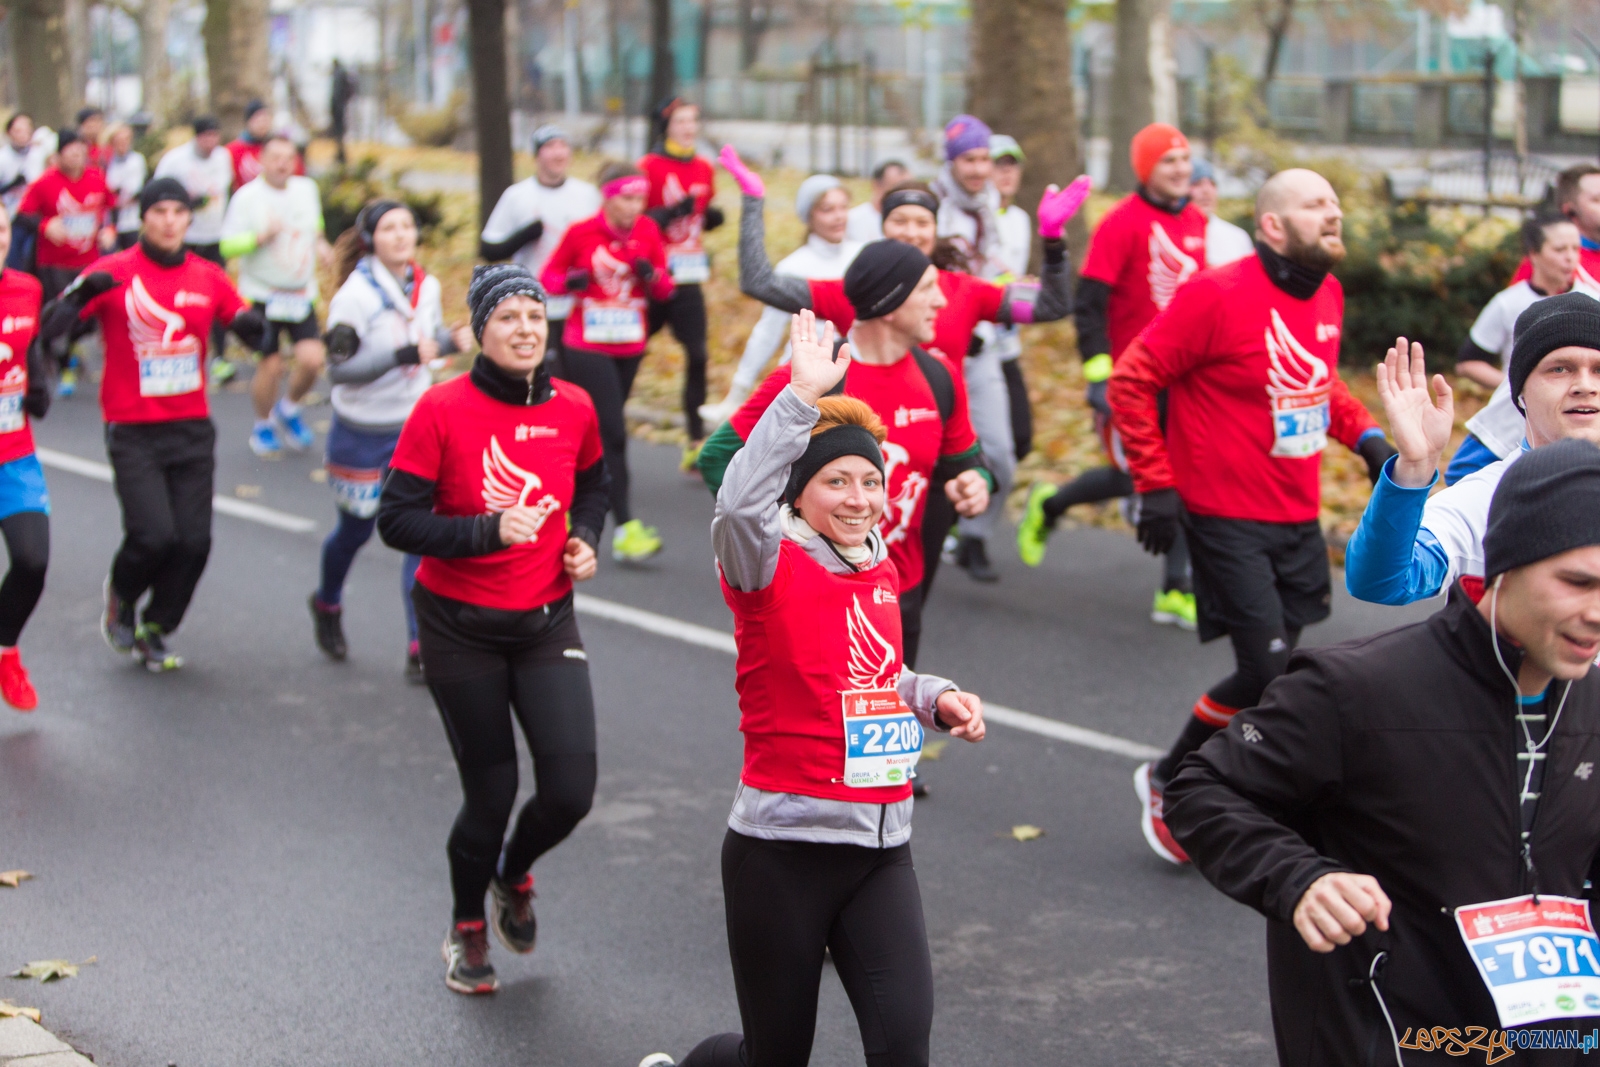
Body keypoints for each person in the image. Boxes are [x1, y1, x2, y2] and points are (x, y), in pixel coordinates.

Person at [1166, 437, 1600, 1067]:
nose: (1597, 612)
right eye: (1577, 582)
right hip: (1395, 1039)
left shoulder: (1593, 701)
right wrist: (1300, 878)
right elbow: (1202, 788)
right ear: (1506, 562)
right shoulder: (1358, 689)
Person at [637, 310, 987, 1067]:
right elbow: (735, 503)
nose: (860, 498)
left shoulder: (879, 568)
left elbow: (877, 674)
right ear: (799, 495)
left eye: (871, 480)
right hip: (781, 852)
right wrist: (796, 398)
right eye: (837, 481)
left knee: (903, 1048)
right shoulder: (763, 566)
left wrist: (934, 697)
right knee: (776, 1056)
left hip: (881, 849)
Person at [1106, 168, 1397, 866]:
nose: (1335, 211)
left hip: (1295, 510)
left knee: (1277, 677)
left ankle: (1230, 781)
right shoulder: (1216, 294)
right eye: (1315, 203)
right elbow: (1132, 378)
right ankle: (1172, 778)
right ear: (1273, 226)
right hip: (1221, 511)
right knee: (1267, 668)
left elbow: (1315, 379)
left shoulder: (1327, 291)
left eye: (1335, 199)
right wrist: (1155, 482)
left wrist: (1366, 436)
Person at [376, 263, 609, 996]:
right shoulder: (441, 409)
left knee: (571, 788)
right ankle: (467, 923)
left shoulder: (574, 405)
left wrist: (585, 537)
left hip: (545, 618)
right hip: (459, 627)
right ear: (481, 331)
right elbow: (396, 519)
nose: (525, 329)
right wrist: (486, 529)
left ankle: (512, 874)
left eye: (534, 316)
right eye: (507, 317)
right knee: (492, 790)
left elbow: (595, 483)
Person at [722, 144, 1080, 603]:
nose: (911, 231)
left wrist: (1052, 240)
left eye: (922, 223)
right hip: (853, 472)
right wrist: (753, 201)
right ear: (882, 227)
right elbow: (760, 282)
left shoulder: (963, 292)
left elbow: (1051, 304)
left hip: (926, 471)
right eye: (899, 222)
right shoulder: (863, 291)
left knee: (906, 604)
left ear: (936, 230)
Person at [702, 239, 993, 670]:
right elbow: (718, 457)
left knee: (888, 720)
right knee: (812, 727)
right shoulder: (816, 378)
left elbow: (965, 459)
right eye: (928, 288)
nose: (942, 300)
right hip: (812, 593)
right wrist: (776, 536)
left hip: (897, 589)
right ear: (892, 303)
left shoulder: (939, 375)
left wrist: (976, 484)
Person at [39, 178, 265, 671]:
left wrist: (255, 327)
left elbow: (250, 326)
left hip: (190, 428)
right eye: (158, 211)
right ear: (143, 217)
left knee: (195, 541)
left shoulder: (207, 275)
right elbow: (51, 332)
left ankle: (157, 624)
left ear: (188, 219)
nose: (168, 220)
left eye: (177, 212)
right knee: (153, 535)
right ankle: (122, 596)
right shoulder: (113, 271)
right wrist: (78, 297)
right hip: (132, 428)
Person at [1014, 123, 1206, 628]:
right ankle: (1051, 505)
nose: (1181, 170)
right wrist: (1100, 374)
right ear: (1145, 169)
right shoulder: (1123, 223)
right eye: (1169, 161)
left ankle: (1175, 587)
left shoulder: (1197, 220)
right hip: (1132, 377)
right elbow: (1089, 305)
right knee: (1134, 476)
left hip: (1185, 378)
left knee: (1180, 475)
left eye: (1185, 160)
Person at [1345, 292, 1600, 607]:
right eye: (1560, 369)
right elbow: (1379, 582)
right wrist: (1413, 469)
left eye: (1599, 369)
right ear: (1519, 392)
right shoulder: (1484, 500)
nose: (1585, 385)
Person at [313, 199, 472, 677]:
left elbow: (427, 342)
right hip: (360, 431)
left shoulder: (427, 286)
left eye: (408, 226)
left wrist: (451, 341)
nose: (401, 236)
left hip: (414, 426)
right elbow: (339, 371)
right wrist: (401, 353)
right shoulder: (354, 297)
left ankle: (419, 645)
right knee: (356, 530)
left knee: (419, 537)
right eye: (389, 228)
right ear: (371, 239)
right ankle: (327, 604)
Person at [539, 161, 673, 562]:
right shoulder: (582, 232)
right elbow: (548, 278)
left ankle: (560, 502)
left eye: (640, 198)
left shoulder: (648, 231)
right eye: (628, 198)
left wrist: (651, 276)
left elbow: (666, 289)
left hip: (629, 344)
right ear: (609, 197)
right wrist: (571, 283)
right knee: (613, 433)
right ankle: (626, 530)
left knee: (590, 431)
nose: (635, 207)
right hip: (586, 345)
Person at [930, 119, 1022, 582]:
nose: (980, 168)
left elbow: (998, 269)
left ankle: (974, 534)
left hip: (982, 349)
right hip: (935, 350)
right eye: (969, 159)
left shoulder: (990, 206)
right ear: (951, 161)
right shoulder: (933, 208)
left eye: (984, 158)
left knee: (1002, 452)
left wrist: (1017, 292)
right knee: (924, 451)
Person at [1443, 214, 1599, 485]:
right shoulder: (1508, 303)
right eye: (1560, 249)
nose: (1570, 258)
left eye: (1575, 248)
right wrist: (1515, 383)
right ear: (1533, 255)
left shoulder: (1594, 300)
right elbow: (1468, 362)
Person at [697, 173, 863, 426]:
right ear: (809, 216)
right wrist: (739, 391)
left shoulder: (863, 255)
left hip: (856, 369)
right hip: (807, 375)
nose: (839, 216)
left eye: (843, 207)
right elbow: (767, 331)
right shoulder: (793, 267)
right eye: (828, 209)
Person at [220, 134, 330, 457]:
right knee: (271, 366)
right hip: (262, 294)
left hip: (300, 293)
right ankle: (262, 424)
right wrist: (256, 238)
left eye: (289, 157)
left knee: (313, 360)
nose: (283, 164)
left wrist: (322, 243)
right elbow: (226, 245)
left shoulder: (306, 189)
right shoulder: (246, 197)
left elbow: (316, 225)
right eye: (276, 157)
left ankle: (290, 408)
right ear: (263, 161)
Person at [637, 98, 724, 461]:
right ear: (666, 126)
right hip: (653, 276)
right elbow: (635, 222)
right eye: (681, 121)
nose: (689, 127)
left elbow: (700, 216)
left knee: (699, 354)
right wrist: (670, 212)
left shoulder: (704, 167)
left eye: (693, 120)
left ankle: (694, 440)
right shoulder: (648, 166)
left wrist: (710, 218)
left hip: (688, 276)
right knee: (630, 352)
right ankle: (600, 424)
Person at [478, 124, 601, 377]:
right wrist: (523, 236)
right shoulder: (517, 196)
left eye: (563, 146)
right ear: (536, 156)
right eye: (550, 147)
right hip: (535, 302)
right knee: (546, 375)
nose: (558, 153)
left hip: (580, 304)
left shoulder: (587, 195)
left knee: (580, 380)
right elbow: (489, 249)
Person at [0, 209, 54, 711]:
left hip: (12, 454)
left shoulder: (25, 287)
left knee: (33, 561)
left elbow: (26, 344)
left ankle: (5, 650)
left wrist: (36, 383)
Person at [155, 116, 236, 382]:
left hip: (215, 236)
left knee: (216, 294)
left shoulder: (223, 157)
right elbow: (157, 192)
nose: (211, 142)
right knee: (181, 296)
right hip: (184, 237)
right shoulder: (176, 160)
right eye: (206, 136)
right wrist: (187, 202)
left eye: (215, 136)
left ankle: (220, 357)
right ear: (196, 137)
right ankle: (177, 349)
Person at [1512, 164, 1600, 287]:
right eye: (1597, 199)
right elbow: (1519, 302)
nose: (1569, 255)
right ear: (1569, 210)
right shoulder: (1547, 259)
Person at [1188, 158, 1253, 267]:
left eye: (1212, 184)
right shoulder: (1168, 234)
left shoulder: (1237, 236)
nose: (1206, 191)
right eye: (1197, 183)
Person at [226, 100, 304, 190]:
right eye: (258, 120)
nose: (262, 125)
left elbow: (297, 173)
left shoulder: (279, 148)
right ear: (248, 122)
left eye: (265, 120)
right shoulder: (233, 150)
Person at [103, 124, 147, 251]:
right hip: (111, 220)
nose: (123, 144)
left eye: (126, 140)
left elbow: (139, 187)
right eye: (118, 141)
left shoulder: (137, 160)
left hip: (132, 220)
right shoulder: (106, 161)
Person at [846, 159, 910, 243]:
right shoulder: (852, 220)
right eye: (895, 188)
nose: (901, 195)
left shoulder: (911, 225)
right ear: (876, 185)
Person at [329, 59, 358, 165]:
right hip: (342, 107)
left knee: (339, 132)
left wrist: (334, 107)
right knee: (340, 133)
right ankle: (340, 154)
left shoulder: (338, 74)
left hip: (339, 108)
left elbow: (336, 93)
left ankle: (341, 154)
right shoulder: (342, 73)